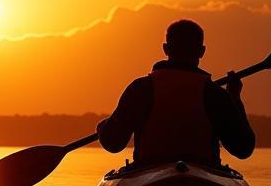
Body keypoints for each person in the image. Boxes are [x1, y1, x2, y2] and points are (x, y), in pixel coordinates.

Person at [96, 19, 254, 167]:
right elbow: (243, 149)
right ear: (201, 51)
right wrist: (235, 98)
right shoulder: (215, 94)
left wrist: (102, 126)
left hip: (148, 171)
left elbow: (113, 143)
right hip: (203, 174)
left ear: (166, 49)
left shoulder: (141, 88)